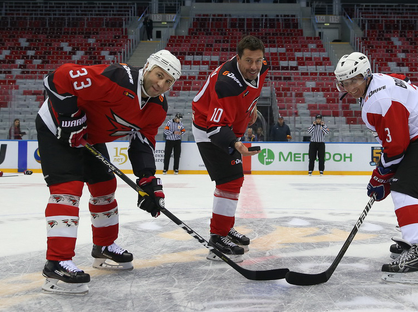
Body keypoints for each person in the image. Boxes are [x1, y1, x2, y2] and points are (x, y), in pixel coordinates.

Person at [36, 49, 181, 294]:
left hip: (89, 137)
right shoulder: (118, 77)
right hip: (57, 129)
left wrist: (148, 180)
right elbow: (58, 77)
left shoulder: (157, 108)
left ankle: (103, 246)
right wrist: (70, 117)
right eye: (159, 75)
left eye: (168, 81)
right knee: (68, 189)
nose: (161, 84)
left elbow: (143, 143)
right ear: (147, 67)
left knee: (104, 186)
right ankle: (56, 262)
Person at [334, 52, 418, 283]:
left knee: (405, 190)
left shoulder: (378, 100)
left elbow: (396, 148)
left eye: (355, 80)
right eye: (345, 82)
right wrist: (384, 175)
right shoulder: (377, 85)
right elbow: (395, 145)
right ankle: (417, 237)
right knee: (402, 185)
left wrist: (379, 177)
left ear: (366, 75)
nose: (350, 88)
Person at [192, 35, 267, 262]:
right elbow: (215, 128)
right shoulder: (226, 84)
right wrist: (237, 145)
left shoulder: (261, 68)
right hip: (209, 130)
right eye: (248, 61)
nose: (254, 66)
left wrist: (250, 108)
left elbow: (250, 92)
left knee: (234, 179)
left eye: (258, 60)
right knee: (229, 181)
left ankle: (224, 228)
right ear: (238, 58)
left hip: (229, 127)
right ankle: (217, 237)